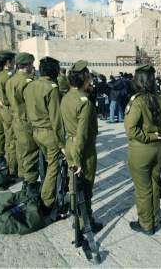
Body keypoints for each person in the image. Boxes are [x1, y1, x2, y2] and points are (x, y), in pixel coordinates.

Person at [124, 64, 161, 234]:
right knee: (155, 184)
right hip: (158, 149)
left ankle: (146, 223)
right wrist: (155, 136)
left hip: (141, 150)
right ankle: (155, 218)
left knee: (143, 189)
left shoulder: (137, 101)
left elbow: (131, 129)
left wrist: (148, 136)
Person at [60, 60, 103, 233]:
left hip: (69, 143)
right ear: (84, 79)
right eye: (88, 77)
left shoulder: (66, 97)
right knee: (85, 187)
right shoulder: (84, 102)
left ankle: (76, 217)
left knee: (73, 185)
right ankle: (85, 221)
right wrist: (78, 159)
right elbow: (82, 133)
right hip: (83, 149)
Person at [24, 57, 65, 212]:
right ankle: (47, 201)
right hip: (49, 133)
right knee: (53, 166)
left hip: (35, 131)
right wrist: (62, 143)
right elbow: (56, 119)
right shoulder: (51, 87)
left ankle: (43, 189)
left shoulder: (30, 85)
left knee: (45, 162)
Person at [6, 52, 39, 196]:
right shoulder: (27, 82)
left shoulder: (11, 80)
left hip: (16, 119)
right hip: (26, 120)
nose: (33, 67)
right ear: (27, 65)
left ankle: (24, 177)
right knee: (31, 152)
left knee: (21, 150)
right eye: (32, 64)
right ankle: (30, 184)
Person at [0, 51, 17, 175]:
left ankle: (8, 162)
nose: (14, 62)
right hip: (10, 110)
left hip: (3, 110)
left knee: (8, 138)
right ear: (8, 62)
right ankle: (12, 168)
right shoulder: (9, 76)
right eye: (13, 60)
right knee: (12, 140)